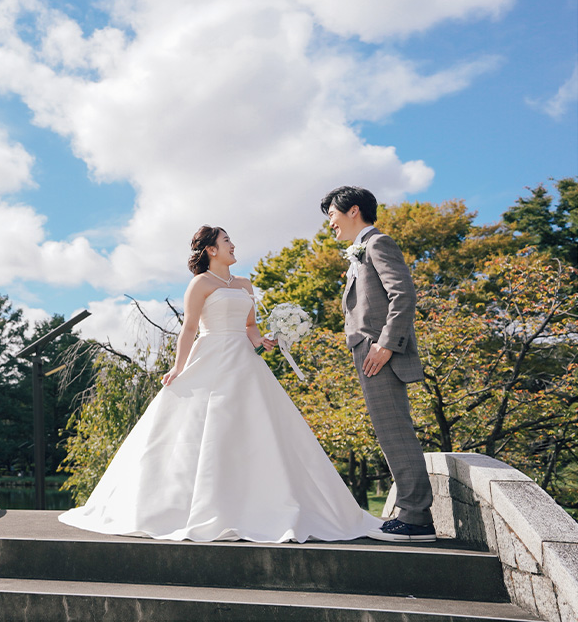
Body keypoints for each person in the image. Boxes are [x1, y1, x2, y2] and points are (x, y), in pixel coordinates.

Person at [59, 226, 381, 543]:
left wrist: (262, 342)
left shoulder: (245, 283)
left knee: (256, 426)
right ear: (212, 249)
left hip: (244, 360)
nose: (233, 245)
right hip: (210, 356)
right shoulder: (200, 283)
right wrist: (177, 368)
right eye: (227, 241)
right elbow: (188, 330)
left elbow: (250, 325)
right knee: (201, 429)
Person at [322, 186, 435, 542]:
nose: (330, 225)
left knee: (396, 432)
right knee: (389, 434)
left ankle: (416, 519)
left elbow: (404, 294)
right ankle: (411, 513)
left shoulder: (377, 243)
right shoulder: (361, 251)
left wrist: (386, 344)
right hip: (367, 352)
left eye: (332, 216)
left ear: (353, 210)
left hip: (379, 352)